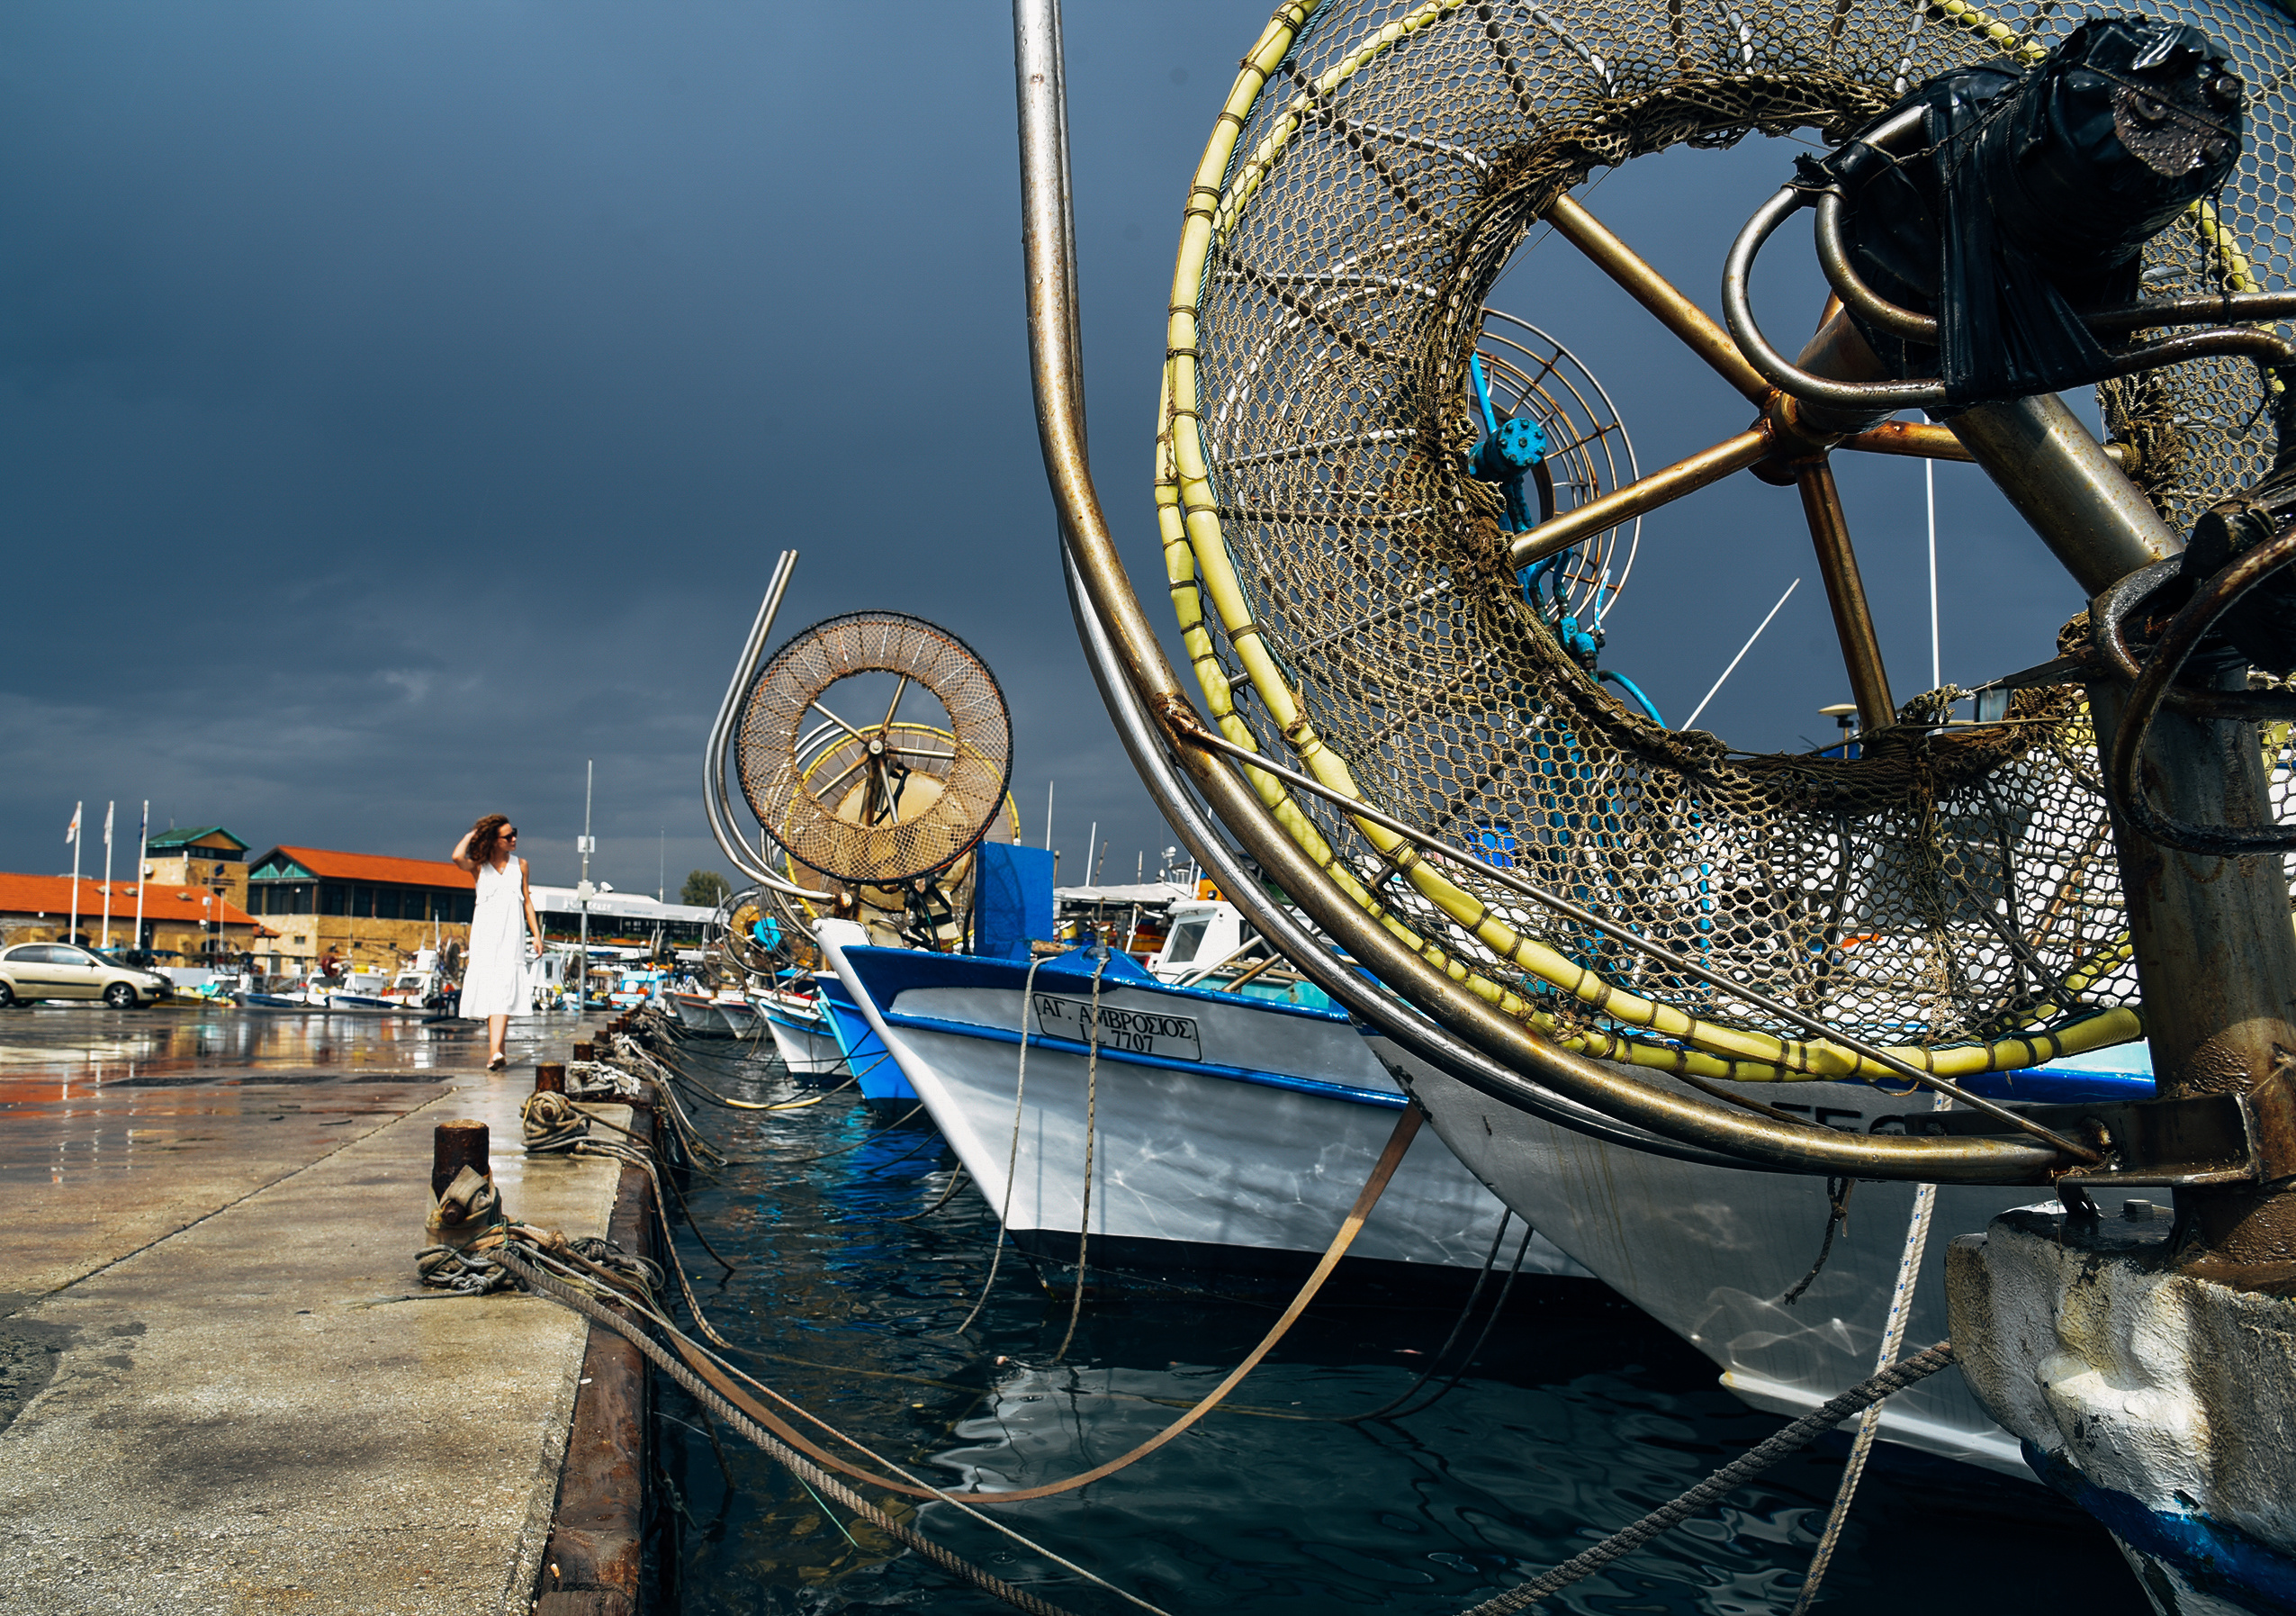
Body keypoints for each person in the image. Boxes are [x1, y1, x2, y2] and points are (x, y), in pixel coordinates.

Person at [450, 812, 546, 1072]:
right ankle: (498, 1051)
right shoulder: (480, 867)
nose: (514, 838)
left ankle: (495, 1052)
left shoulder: (521, 865)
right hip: (485, 936)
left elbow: (527, 901)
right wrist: (475, 832)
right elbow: (457, 857)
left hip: (512, 935)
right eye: (508, 835)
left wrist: (536, 935)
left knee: (504, 988)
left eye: (514, 832)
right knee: (493, 990)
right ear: (494, 840)